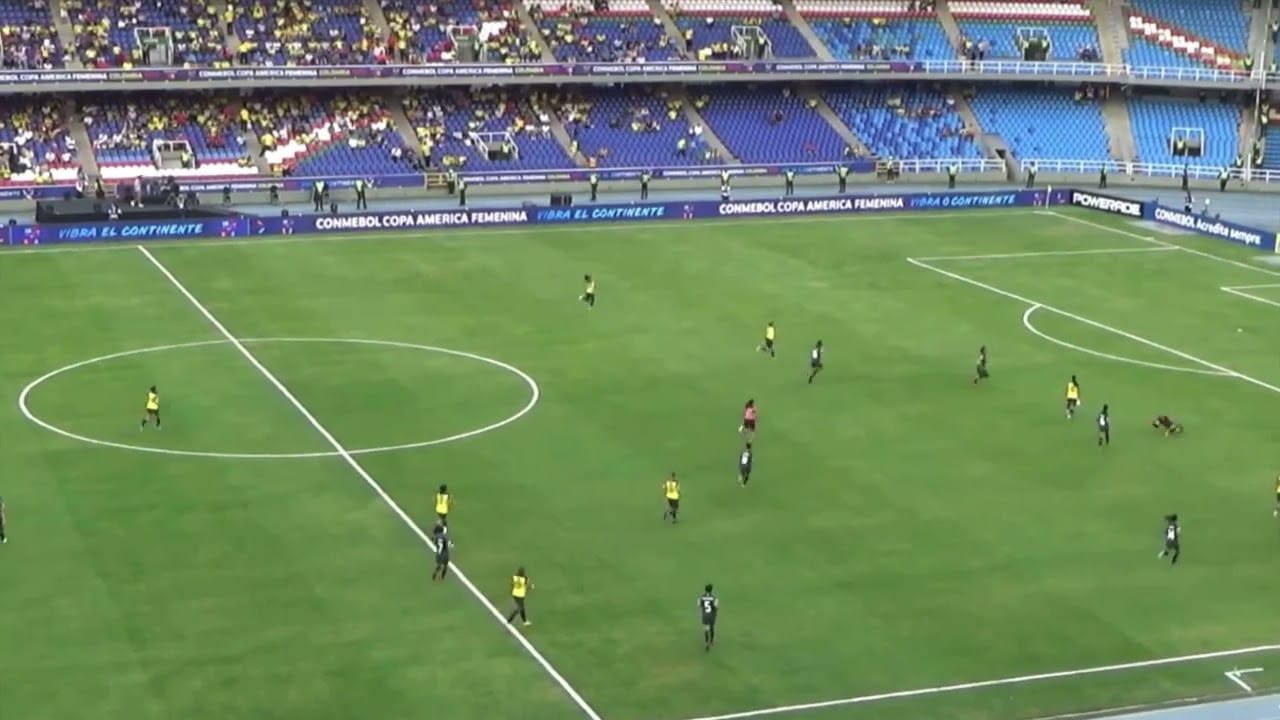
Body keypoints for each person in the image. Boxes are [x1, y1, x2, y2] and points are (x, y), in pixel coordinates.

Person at [699, 583, 718, 651]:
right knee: (712, 628)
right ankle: (711, 641)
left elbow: (699, 605)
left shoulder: (701, 597)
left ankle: (706, 643)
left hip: (705, 616)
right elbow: (716, 606)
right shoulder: (714, 597)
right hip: (712, 616)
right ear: (711, 590)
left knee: (706, 629)